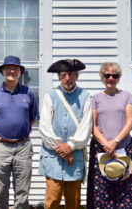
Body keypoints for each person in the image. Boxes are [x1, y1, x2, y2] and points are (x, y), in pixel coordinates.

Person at [0, 55, 39, 209]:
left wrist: (19, 132)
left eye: (16, 68)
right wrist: (1, 134)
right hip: (0, 146)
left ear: (20, 72)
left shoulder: (28, 93)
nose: (12, 71)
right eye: (8, 68)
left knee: (22, 191)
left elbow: (33, 118)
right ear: (2, 71)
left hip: (23, 146)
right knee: (0, 189)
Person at [39, 59, 92, 209]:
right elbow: (44, 127)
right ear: (59, 77)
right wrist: (62, 148)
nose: (67, 78)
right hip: (53, 156)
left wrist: (71, 146)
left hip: (75, 156)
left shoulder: (85, 96)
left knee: (73, 201)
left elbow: (86, 126)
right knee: (52, 200)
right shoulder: (50, 96)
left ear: (77, 76)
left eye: (70, 74)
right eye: (63, 75)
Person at [86, 62, 132, 208]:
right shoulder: (95, 98)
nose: (111, 78)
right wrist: (106, 144)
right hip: (100, 148)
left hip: (123, 146)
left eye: (114, 76)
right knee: (102, 188)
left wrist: (114, 142)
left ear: (118, 78)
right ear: (102, 77)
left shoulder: (126, 96)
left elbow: (129, 123)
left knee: (124, 185)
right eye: (107, 75)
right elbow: (93, 126)